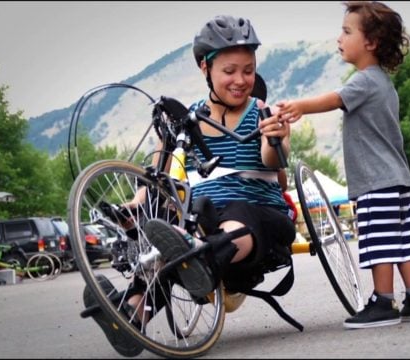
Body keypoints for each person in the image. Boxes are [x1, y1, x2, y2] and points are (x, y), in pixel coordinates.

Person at [83, 15, 295, 356]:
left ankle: (204, 259)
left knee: (231, 215)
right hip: (203, 220)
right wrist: (137, 204)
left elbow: (274, 162)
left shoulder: (264, 112)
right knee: (179, 225)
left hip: (263, 218)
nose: (241, 80)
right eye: (230, 71)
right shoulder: (188, 118)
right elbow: (159, 172)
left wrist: (275, 138)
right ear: (204, 68)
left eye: (248, 69)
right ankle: (131, 315)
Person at [277, 1, 410, 329]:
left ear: (370, 43)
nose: (339, 38)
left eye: (347, 32)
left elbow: (334, 99)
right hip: (397, 179)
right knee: (402, 240)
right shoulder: (383, 81)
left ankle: (384, 301)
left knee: (379, 242)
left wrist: (298, 106)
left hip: (377, 182)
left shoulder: (365, 80)